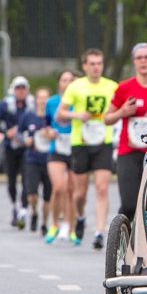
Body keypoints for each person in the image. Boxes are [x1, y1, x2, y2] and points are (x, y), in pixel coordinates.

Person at [56, 48, 118, 250]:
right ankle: (81, 216)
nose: (96, 67)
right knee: (80, 194)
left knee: (102, 188)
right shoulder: (76, 87)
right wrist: (77, 115)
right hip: (80, 143)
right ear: (84, 66)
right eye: (92, 63)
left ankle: (99, 232)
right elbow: (60, 115)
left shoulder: (111, 86)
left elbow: (120, 108)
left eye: (99, 63)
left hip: (103, 142)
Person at [105, 43, 147, 222]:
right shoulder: (124, 88)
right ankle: (122, 232)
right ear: (134, 62)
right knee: (129, 203)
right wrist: (122, 112)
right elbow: (107, 118)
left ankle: (141, 240)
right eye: (139, 58)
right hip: (128, 151)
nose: (143, 61)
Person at [0, 75, 35, 227]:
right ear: (13, 90)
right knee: (11, 179)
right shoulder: (5, 105)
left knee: (27, 178)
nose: (21, 91)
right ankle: (14, 205)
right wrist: (6, 131)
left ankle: (23, 209)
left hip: (27, 147)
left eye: (23, 88)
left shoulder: (32, 104)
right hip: (11, 146)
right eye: (18, 88)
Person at [43, 70, 78, 244]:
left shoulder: (78, 101)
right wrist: (49, 132)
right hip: (57, 147)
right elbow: (45, 125)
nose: (67, 83)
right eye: (64, 80)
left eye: (71, 80)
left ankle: (70, 227)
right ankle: (55, 223)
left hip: (75, 146)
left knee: (71, 190)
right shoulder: (51, 102)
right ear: (59, 83)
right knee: (57, 187)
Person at [17, 87, 53, 234]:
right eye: (41, 97)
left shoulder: (52, 117)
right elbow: (19, 132)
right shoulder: (29, 116)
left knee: (47, 196)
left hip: (49, 159)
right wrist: (24, 140)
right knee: (32, 193)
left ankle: (44, 223)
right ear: (36, 99)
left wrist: (51, 134)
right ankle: (34, 212)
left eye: (46, 98)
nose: (43, 101)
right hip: (32, 158)